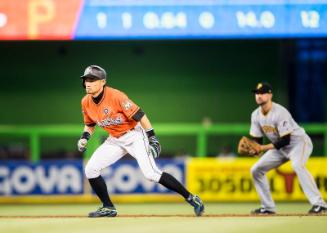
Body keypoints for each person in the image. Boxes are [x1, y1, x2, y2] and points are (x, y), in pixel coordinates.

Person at [77, 65, 204, 217]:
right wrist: (84, 137)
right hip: (114, 139)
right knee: (90, 169)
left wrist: (152, 137)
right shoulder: (85, 102)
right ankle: (108, 207)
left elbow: (141, 116)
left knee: (151, 173)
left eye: (92, 79)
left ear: (103, 82)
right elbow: (90, 124)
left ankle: (191, 198)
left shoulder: (116, 96)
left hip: (134, 135)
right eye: (86, 79)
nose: (88, 83)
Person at [248, 82, 327, 214]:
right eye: (257, 93)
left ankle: (320, 204)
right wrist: (254, 150)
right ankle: (268, 207)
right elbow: (258, 143)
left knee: (297, 165)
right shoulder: (255, 115)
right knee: (256, 170)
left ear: (270, 95)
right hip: (279, 148)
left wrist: (262, 148)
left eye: (262, 93)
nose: (259, 96)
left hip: (299, 143)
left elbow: (285, 140)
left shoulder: (280, 112)